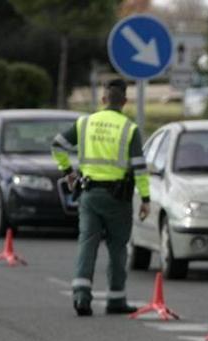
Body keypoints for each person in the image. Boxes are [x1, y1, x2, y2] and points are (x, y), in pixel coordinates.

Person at [51, 78, 150, 316]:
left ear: (103, 99)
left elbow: (57, 145)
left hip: (89, 194)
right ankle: (116, 299)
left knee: (87, 243)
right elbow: (139, 167)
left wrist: (68, 173)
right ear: (124, 101)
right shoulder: (130, 129)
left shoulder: (85, 123)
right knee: (117, 247)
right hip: (118, 199)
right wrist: (146, 199)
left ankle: (81, 297)